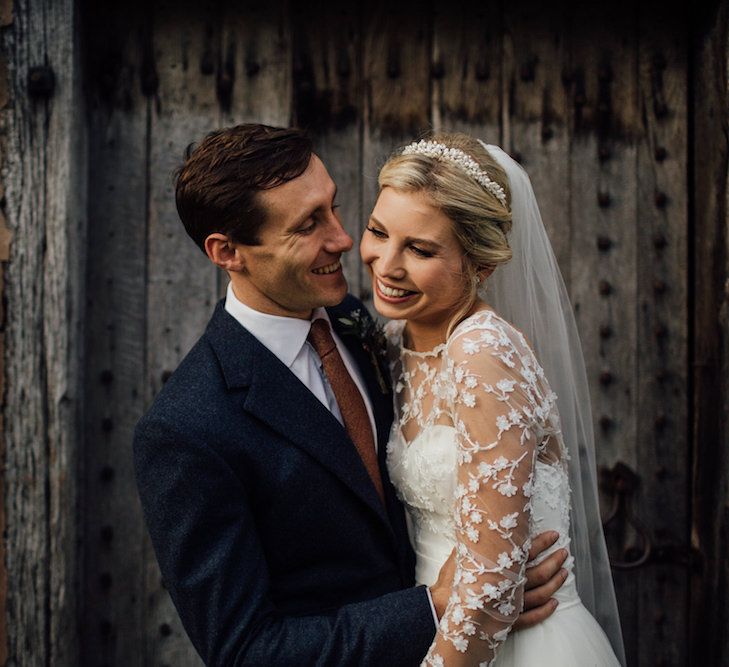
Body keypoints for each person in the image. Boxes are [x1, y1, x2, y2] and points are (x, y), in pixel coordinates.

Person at [134, 124, 568, 666]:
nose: (342, 240)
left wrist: (489, 589)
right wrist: (439, 606)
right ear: (227, 251)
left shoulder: (359, 324)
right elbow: (248, 653)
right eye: (308, 224)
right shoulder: (188, 428)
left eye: (335, 209)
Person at [360, 133, 626, 666]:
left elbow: (491, 584)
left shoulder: (483, 352)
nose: (386, 264)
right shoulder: (393, 343)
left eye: (420, 249)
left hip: (522, 645)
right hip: (435, 627)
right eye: (377, 231)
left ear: (480, 265)